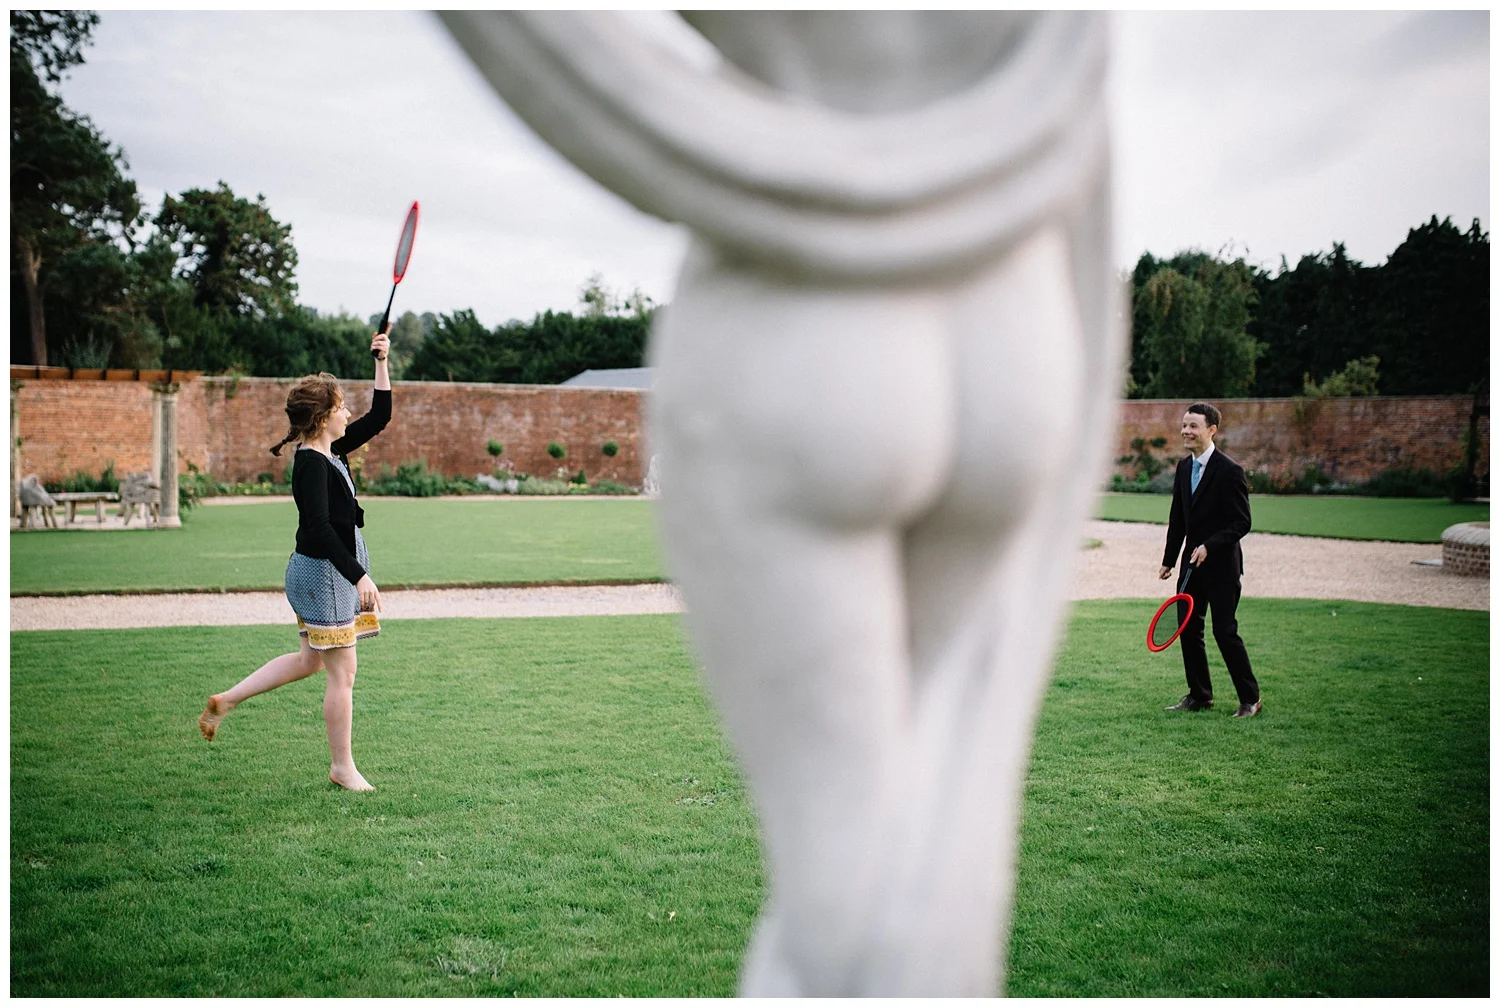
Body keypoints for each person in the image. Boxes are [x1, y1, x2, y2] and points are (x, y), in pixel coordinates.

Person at [198, 328, 393, 790]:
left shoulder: (332, 448)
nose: (348, 413)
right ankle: (342, 767)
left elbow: (381, 415)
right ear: (323, 417)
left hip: (321, 571)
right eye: (341, 407)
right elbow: (320, 529)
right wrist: (359, 576)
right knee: (343, 673)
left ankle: (228, 700)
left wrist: (381, 361)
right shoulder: (310, 463)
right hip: (325, 574)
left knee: (310, 661)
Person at [1158, 401, 1262, 718]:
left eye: (1193, 426)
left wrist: (1209, 546)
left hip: (1221, 568)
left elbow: (1242, 522)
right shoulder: (1183, 468)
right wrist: (1169, 559)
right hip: (1191, 568)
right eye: (1184, 425)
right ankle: (1200, 696)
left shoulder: (1230, 471)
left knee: (1224, 631)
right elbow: (1178, 518)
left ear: (1212, 429)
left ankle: (1250, 699)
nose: (1186, 431)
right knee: (1188, 631)